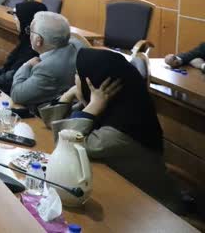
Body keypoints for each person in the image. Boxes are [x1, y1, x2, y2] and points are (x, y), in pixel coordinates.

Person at [51, 48, 185, 213]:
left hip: (158, 213)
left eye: (78, 74)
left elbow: (66, 145)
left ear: (94, 84)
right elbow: (57, 126)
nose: (74, 79)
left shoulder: (120, 129)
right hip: (128, 201)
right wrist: (68, 95)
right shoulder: (115, 106)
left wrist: (92, 107)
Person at [10, 11, 78, 107]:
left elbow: (17, 95)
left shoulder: (48, 69)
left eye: (30, 30)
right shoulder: (75, 44)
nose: (29, 34)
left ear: (38, 40)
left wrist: (26, 65)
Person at [0, 1, 47, 93]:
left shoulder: (34, 49)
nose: (15, 20)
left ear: (27, 23)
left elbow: (12, 77)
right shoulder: (26, 42)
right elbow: (9, 67)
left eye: (17, 17)